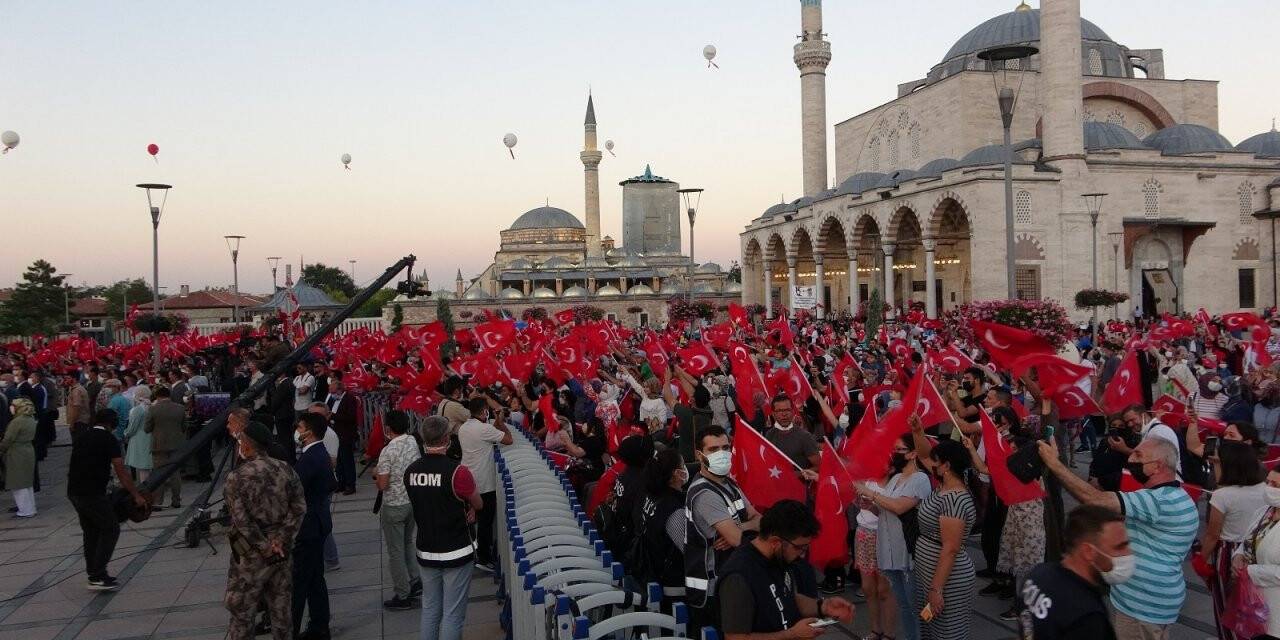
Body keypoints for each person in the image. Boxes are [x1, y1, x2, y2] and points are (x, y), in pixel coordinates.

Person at [1038, 436, 1198, 638]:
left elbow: (1093, 499)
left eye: (1138, 455)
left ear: (1157, 466)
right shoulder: (1175, 496)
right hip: (1152, 602)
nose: (1131, 459)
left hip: (1142, 607)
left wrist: (1054, 463)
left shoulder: (1158, 501)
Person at [715, 499, 856, 638]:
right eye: (799, 547)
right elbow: (735, 637)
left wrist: (823, 607)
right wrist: (792, 634)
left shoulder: (778, 558)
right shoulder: (739, 576)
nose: (802, 554)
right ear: (776, 542)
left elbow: (786, 598)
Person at [223, 422, 306, 640]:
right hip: (281, 552)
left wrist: (264, 546)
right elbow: (298, 508)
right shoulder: (285, 469)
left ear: (247, 445)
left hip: (250, 554)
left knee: (242, 612)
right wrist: (280, 540)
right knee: (281, 610)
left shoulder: (237, 477)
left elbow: (241, 521)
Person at [405, 415, 483, 640]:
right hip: (457, 548)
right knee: (452, 614)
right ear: (447, 439)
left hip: (426, 547)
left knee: (430, 609)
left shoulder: (411, 471)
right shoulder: (458, 472)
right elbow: (478, 503)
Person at [685, 425, 761, 634]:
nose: (722, 454)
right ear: (699, 455)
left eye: (725, 447)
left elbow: (759, 520)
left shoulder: (729, 484)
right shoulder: (704, 493)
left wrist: (743, 526)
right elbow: (738, 539)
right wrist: (746, 528)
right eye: (713, 449)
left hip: (732, 579)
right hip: (712, 589)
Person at [858, 433, 931, 640]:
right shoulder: (897, 478)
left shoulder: (920, 479)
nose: (894, 454)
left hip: (908, 551)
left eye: (900, 450)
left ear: (913, 454)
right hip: (889, 552)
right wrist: (869, 506)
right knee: (904, 605)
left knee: (916, 605)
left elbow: (899, 507)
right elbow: (884, 509)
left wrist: (871, 494)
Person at [1017, 505, 1128, 640]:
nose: (1128, 553)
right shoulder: (1086, 618)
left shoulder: (1037, 576)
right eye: (1120, 547)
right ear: (1088, 551)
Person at [67, 408, 147, 590]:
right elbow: (121, 470)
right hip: (92, 492)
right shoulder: (108, 439)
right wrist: (136, 494)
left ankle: (93, 573)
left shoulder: (83, 436)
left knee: (91, 531)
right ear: (112, 423)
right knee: (111, 528)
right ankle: (98, 574)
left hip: (74, 491)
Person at [908, 436, 978, 640]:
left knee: (948, 633)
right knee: (931, 629)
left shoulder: (955, 499)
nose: (931, 465)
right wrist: (917, 431)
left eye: (936, 462)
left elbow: (950, 548)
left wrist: (936, 589)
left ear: (946, 465)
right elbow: (923, 454)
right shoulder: (945, 484)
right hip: (930, 573)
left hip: (948, 581)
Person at [1197, 441, 1267, 640]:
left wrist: (1201, 559)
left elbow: (1212, 534)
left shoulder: (1222, 495)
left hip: (1229, 552)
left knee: (1226, 608)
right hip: (1257, 549)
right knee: (1255, 605)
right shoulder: (1264, 488)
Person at [292, 413, 334, 640]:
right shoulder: (318, 453)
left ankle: (293, 629)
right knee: (315, 578)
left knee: (300, 582)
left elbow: (295, 489)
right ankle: (319, 625)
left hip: (308, 526)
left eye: (299, 427)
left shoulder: (311, 457)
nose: (297, 431)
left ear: (309, 431)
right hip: (317, 522)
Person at [457, 396, 511, 571]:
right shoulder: (484, 429)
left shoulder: (464, 428)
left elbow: (488, 433)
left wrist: (494, 424)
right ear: (484, 411)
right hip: (484, 483)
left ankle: (470, 552)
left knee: (472, 519)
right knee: (486, 521)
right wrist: (501, 422)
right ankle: (484, 558)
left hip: (467, 480)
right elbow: (509, 440)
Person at [377, 410, 423, 610]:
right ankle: (415, 581)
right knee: (407, 543)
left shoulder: (387, 451)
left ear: (388, 429)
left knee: (395, 551)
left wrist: (378, 474)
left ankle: (402, 593)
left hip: (394, 504)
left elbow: (382, 484)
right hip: (412, 501)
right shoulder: (413, 441)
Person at [631, 448, 689, 601]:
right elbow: (691, 550)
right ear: (676, 473)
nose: (686, 469)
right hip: (673, 588)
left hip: (649, 570)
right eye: (683, 465)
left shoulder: (649, 493)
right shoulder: (673, 510)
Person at [1234, 462, 1280, 638]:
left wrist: (1251, 571)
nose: (1269, 488)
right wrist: (1237, 555)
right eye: (1268, 482)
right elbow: (1249, 540)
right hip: (1253, 606)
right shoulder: (1264, 511)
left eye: (1276, 485)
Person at [145, 386, 186, 510]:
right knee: (175, 474)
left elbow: (147, 428)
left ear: (157, 396)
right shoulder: (180, 408)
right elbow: (184, 426)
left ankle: (158, 501)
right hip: (176, 444)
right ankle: (176, 500)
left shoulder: (152, 409)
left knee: (159, 474)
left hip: (159, 446)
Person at [0, 397, 37, 517]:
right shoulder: (30, 418)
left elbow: (8, 439)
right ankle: (31, 508)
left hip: (16, 452)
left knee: (18, 483)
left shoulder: (17, 421)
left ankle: (25, 510)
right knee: (27, 482)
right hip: (28, 450)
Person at [323, 374, 358, 494]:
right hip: (335, 432)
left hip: (345, 433)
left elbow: (351, 417)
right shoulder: (334, 399)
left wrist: (333, 416)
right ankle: (341, 482)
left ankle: (350, 484)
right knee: (338, 460)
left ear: (339, 390)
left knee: (347, 460)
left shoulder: (349, 398)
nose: (331, 394)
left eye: (332, 391)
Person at [122, 386, 153, 482]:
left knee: (141, 466)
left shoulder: (137, 409)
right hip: (150, 437)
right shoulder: (151, 406)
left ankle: (144, 489)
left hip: (139, 439)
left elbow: (132, 427)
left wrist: (125, 433)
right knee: (147, 465)